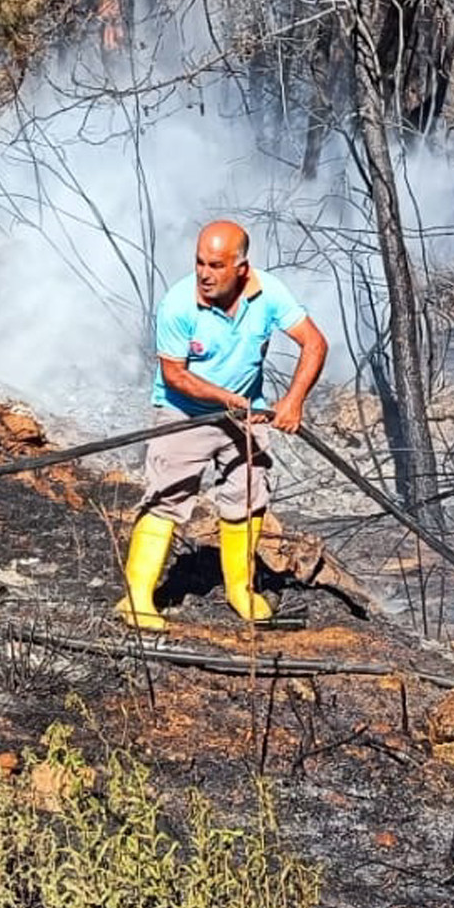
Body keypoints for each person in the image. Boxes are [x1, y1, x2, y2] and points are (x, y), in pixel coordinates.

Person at [116, 221, 330, 632]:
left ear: (242, 268)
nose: (204, 273)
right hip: (184, 413)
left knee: (247, 497)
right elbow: (175, 375)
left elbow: (314, 343)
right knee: (167, 497)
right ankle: (137, 598)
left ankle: (240, 590)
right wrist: (225, 399)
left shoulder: (269, 294)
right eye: (200, 262)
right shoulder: (179, 304)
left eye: (216, 265)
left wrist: (293, 401)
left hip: (247, 414)